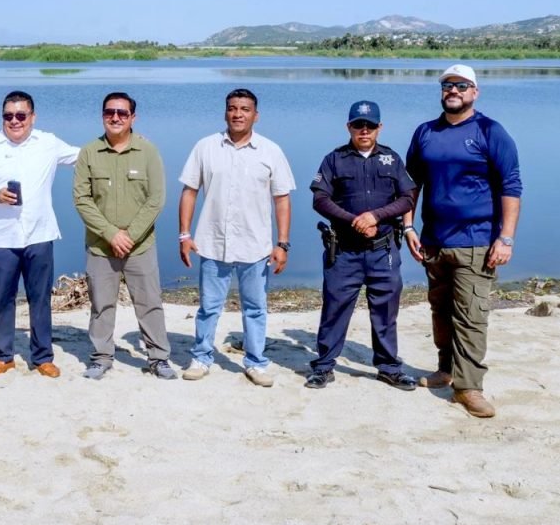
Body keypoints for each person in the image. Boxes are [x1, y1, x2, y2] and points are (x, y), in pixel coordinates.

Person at [404, 64, 522, 417]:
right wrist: (408, 227)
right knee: (440, 311)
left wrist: (506, 239)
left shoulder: (490, 131)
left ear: (475, 92)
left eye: (461, 85)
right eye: (447, 85)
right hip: (433, 241)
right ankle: (446, 369)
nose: (453, 90)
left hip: (477, 242)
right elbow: (411, 185)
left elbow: (511, 188)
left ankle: (469, 387)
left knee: (471, 316)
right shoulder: (426, 132)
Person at [178, 88, 295, 386]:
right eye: (232, 108)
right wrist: (184, 234)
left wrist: (282, 243)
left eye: (244, 109)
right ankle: (201, 357)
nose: (238, 114)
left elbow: (281, 199)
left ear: (256, 115)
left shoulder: (271, 151)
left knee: (255, 308)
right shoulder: (206, 147)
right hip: (212, 242)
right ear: (225, 112)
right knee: (208, 307)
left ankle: (255, 362)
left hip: (255, 246)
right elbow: (189, 191)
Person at [0, 90, 79, 378]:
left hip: (39, 234)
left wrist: (123, 144)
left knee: (40, 298)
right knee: (3, 297)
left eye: (21, 115)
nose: (15, 121)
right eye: (8, 116)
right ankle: (2, 356)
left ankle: (42, 357)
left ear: (32, 117)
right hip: (2, 237)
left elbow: (84, 157)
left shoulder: (48, 143)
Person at [305, 101, 418, 390]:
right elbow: (320, 199)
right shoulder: (334, 160)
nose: (364, 131)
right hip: (344, 251)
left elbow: (407, 198)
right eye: (358, 125)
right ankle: (324, 366)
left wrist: (375, 216)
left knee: (386, 312)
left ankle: (389, 367)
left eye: (370, 125)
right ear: (349, 127)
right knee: (334, 309)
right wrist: (354, 220)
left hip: (383, 251)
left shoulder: (391, 160)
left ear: (380, 127)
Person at [72, 92, 176, 380]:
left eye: (122, 112)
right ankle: (101, 357)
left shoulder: (148, 152)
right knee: (101, 304)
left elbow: (156, 199)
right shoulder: (89, 152)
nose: (115, 117)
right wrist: (110, 234)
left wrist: (129, 235)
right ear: (102, 115)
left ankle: (158, 358)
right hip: (100, 247)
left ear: (133, 117)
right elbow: (82, 200)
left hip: (140, 246)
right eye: (109, 112)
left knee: (149, 303)